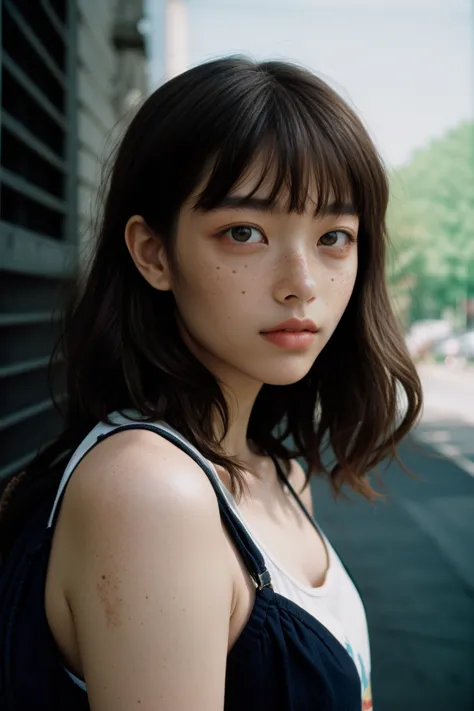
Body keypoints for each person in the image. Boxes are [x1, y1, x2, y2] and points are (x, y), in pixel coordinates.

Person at [0, 56, 422, 711]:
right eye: (245, 232)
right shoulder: (149, 491)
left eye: (334, 236)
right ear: (153, 253)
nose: (301, 283)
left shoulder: (280, 474)